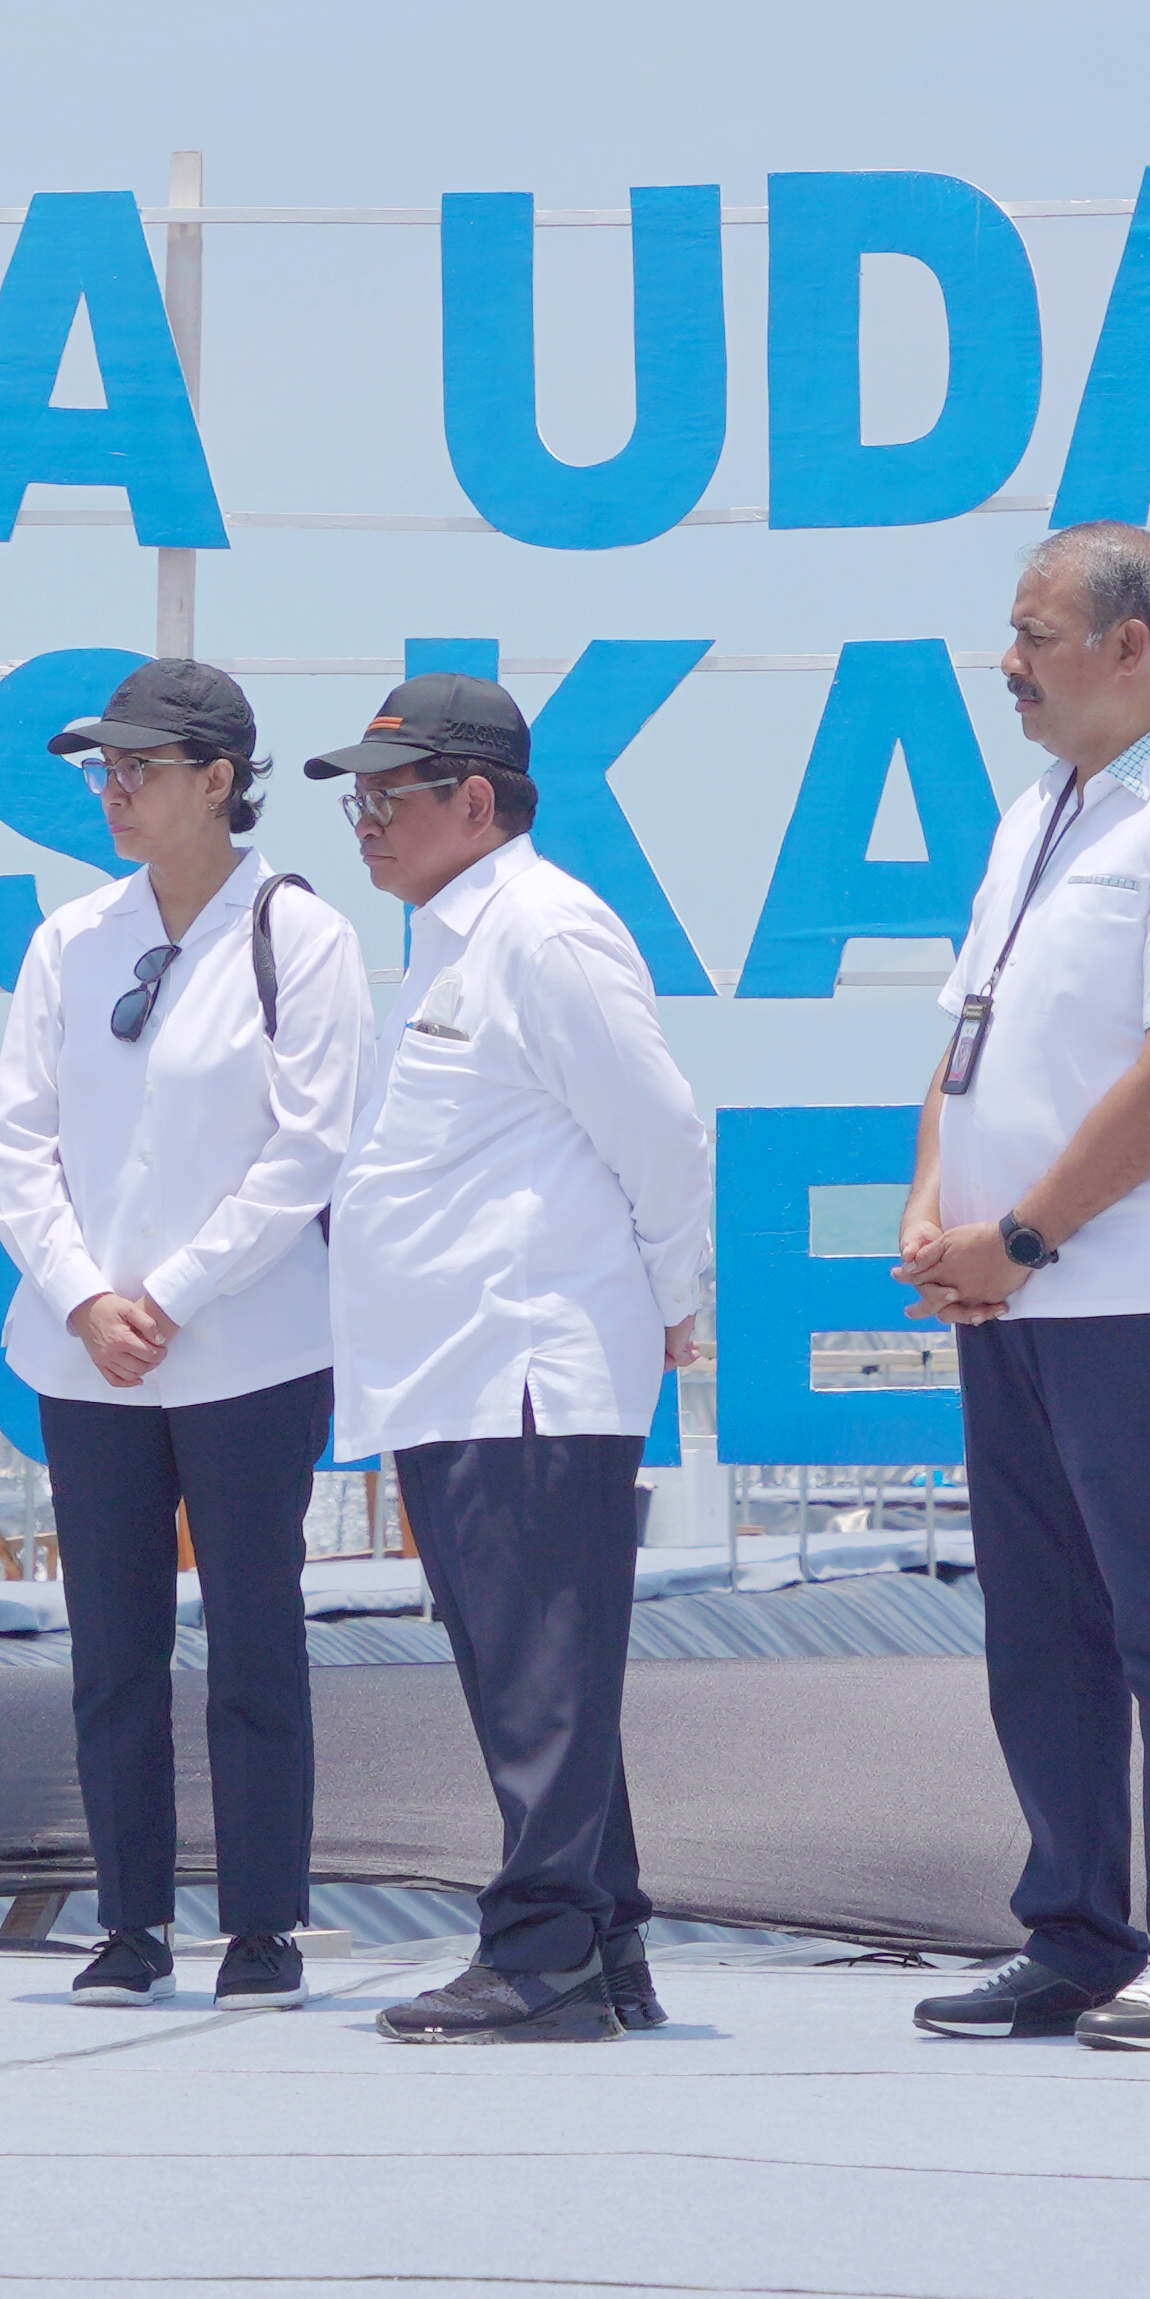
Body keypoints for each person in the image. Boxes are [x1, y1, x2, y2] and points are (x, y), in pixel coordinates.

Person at [893, 524, 1150, 2054]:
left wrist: (1031, 1233)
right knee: (1038, 1629)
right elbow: (966, 1030)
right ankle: (1075, 1931)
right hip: (1011, 1295)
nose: (1007, 662)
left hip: (1127, 1291)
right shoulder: (1039, 813)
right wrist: (940, 1205)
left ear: (1133, 648)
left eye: (1035, 634)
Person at [306, 671, 714, 2044]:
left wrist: (674, 1292)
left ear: (474, 802)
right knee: (529, 1674)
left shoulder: (539, 929)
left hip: (527, 1367)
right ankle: (605, 1941)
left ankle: (540, 1954)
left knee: (538, 1678)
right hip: (461, 1366)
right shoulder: (452, 935)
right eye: (356, 798)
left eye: (389, 796)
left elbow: (659, 1124)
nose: (363, 824)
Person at [0, 658, 363, 2009]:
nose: (114, 791)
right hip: (88, 1351)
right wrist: (87, 1294)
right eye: (102, 769)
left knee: (257, 1637)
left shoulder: (298, 935)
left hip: (247, 1346)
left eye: (138, 769)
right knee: (112, 1645)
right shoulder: (69, 941)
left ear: (219, 782)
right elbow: (18, 1143)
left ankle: (262, 1926)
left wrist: (178, 1291)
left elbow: (307, 1147)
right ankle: (129, 1922)